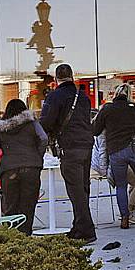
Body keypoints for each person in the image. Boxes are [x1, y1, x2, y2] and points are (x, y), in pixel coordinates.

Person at [40, 63, 96, 243]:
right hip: (86, 145)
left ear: (56, 79)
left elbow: (47, 122)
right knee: (83, 187)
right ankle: (79, 226)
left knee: (75, 189)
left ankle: (86, 230)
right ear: (72, 76)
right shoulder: (83, 97)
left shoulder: (55, 96)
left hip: (70, 147)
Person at [93, 83, 135, 229]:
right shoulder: (134, 108)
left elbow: (95, 130)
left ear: (115, 94)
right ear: (129, 95)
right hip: (134, 148)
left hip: (116, 150)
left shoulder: (107, 109)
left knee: (120, 186)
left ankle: (125, 219)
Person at [0, 99, 48, 235]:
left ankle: (12, 237)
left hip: (9, 170)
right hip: (31, 168)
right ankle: (26, 236)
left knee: (10, 207)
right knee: (28, 205)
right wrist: (37, 156)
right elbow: (44, 138)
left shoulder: (0, 129)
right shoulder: (32, 122)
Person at [91, 123, 135, 224]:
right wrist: (105, 170)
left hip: (110, 160)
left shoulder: (104, 128)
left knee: (130, 180)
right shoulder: (105, 132)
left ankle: (132, 211)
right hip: (109, 163)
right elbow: (103, 150)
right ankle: (130, 210)